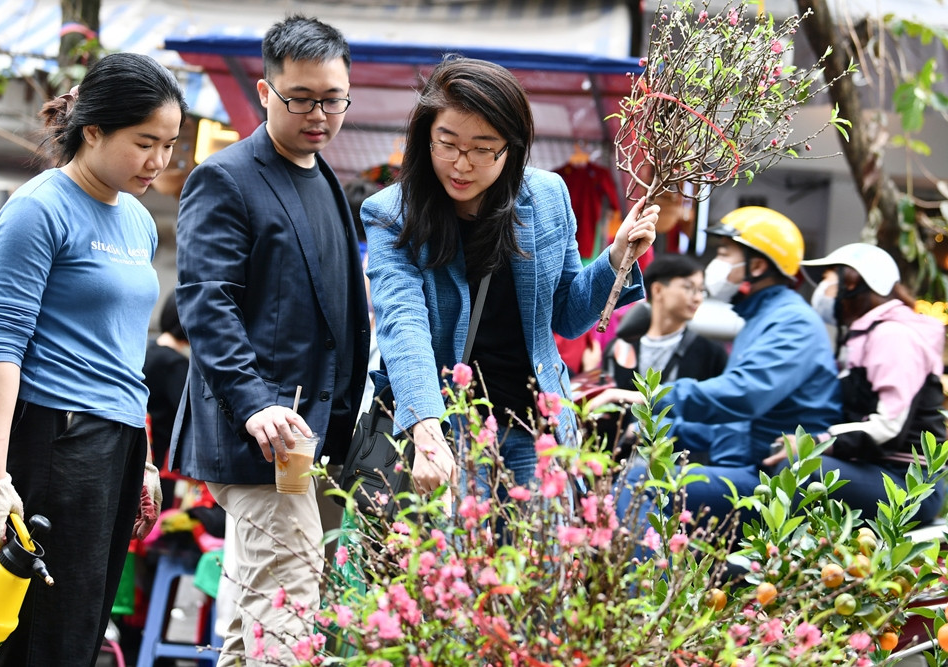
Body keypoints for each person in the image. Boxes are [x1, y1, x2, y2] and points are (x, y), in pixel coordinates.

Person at [0, 52, 185, 666]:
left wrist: (141, 461)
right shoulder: (39, 209)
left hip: (116, 444)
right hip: (56, 438)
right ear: (93, 131)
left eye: (169, 144)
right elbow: (2, 345)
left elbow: (124, 353)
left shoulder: (139, 220)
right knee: (41, 632)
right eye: (145, 142)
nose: (159, 162)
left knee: (86, 627)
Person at [360, 56, 658, 495]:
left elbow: (568, 316)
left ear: (511, 148)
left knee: (544, 561)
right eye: (447, 143)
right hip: (446, 429)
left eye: (482, 149)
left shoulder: (547, 196)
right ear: (426, 138)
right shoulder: (391, 214)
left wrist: (615, 257)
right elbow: (403, 327)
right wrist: (425, 430)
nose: (461, 164)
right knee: (452, 560)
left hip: (534, 426)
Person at [170, 15, 370, 665]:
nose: (319, 114)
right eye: (301, 98)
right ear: (264, 93)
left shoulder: (328, 182)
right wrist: (255, 401)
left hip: (306, 438)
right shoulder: (225, 177)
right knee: (288, 604)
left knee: (261, 615)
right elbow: (206, 300)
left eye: (332, 98)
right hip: (257, 431)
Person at [615, 207, 842, 521]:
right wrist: (660, 427)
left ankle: (633, 573)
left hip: (769, 479)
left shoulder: (792, 323)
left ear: (758, 265)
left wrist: (653, 397)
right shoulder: (760, 319)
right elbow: (737, 425)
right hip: (746, 467)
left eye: (724, 254)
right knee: (634, 474)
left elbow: (742, 396)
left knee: (641, 485)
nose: (715, 266)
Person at [764, 243, 946, 523]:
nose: (821, 293)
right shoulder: (868, 336)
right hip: (878, 472)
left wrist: (815, 443)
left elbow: (888, 428)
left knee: (800, 471)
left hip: (909, 486)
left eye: (827, 281)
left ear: (853, 284)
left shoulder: (894, 336)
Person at [585, 253, 728, 455]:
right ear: (658, 289)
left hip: (680, 468)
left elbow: (718, 416)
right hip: (618, 467)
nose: (697, 297)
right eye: (688, 287)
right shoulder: (621, 348)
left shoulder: (710, 354)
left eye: (701, 290)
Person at [143, 293, 190, 509]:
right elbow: (189, 415)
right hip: (159, 462)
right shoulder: (175, 365)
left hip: (139, 453)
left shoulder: (147, 350)